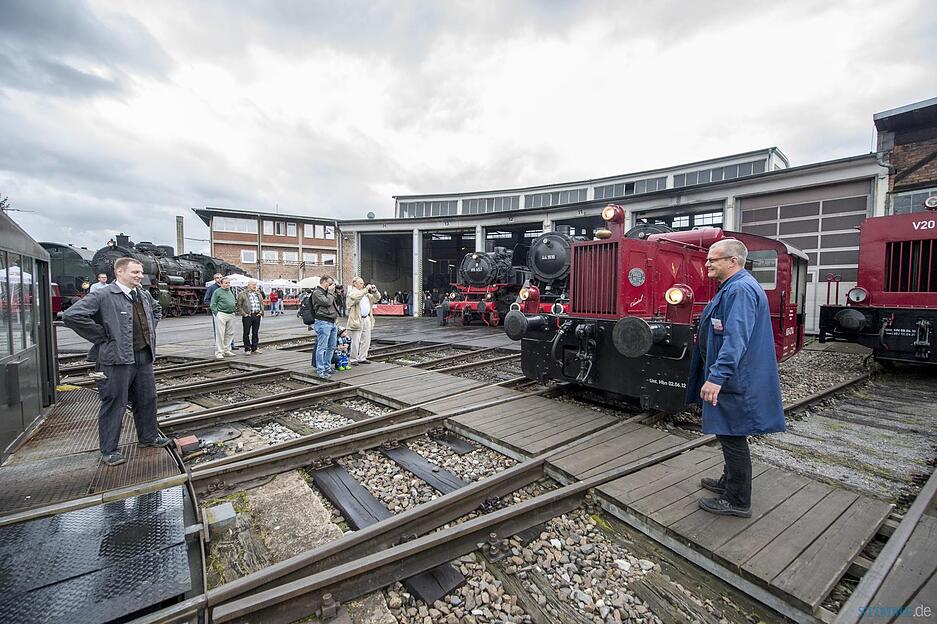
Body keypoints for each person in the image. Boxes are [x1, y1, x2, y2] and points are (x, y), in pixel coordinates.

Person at [686, 239, 785, 518]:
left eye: (713, 260)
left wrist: (716, 377)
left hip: (734, 378)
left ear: (733, 261)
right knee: (729, 430)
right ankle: (729, 482)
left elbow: (735, 338)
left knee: (732, 434)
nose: (707, 264)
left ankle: (738, 500)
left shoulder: (739, 289)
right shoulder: (735, 286)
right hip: (735, 375)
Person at [62, 257, 171, 466]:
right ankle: (109, 450)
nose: (140, 276)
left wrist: (150, 328)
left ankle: (148, 437)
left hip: (143, 356)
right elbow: (72, 315)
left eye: (140, 272)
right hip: (116, 359)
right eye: (135, 272)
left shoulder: (143, 295)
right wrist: (102, 336)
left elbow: (156, 310)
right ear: (119, 272)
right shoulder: (103, 294)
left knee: (147, 399)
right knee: (114, 403)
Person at [346, 276, 381, 365]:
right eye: (361, 283)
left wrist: (375, 291)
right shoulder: (352, 292)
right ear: (355, 284)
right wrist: (366, 289)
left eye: (363, 283)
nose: (363, 285)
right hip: (357, 318)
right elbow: (356, 296)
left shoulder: (365, 293)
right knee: (356, 340)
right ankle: (353, 358)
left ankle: (362, 357)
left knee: (366, 339)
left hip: (367, 318)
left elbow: (376, 298)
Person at [311, 275, 340, 379]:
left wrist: (337, 293)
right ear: (323, 282)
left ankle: (327, 367)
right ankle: (321, 370)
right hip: (323, 321)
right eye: (330, 283)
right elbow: (326, 302)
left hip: (332, 322)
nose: (331, 285)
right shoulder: (317, 292)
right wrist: (331, 292)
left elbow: (335, 303)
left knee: (331, 346)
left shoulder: (329, 292)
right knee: (322, 347)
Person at [210, 276, 238, 359]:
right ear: (221, 284)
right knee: (220, 333)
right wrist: (216, 313)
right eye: (226, 283)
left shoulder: (230, 291)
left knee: (230, 333)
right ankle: (219, 351)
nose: (228, 284)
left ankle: (226, 349)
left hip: (231, 314)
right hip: (221, 313)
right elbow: (213, 303)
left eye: (229, 283)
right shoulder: (217, 292)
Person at [237, 280, 264, 354]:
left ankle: (254, 348)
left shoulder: (258, 294)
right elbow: (239, 306)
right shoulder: (242, 294)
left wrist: (261, 311)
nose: (255, 286)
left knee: (255, 333)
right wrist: (244, 314)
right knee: (246, 333)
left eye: (255, 285)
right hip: (248, 315)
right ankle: (247, 349)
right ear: (248, 285)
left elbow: (261, 303)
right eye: (253, 285)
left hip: (257, 315)